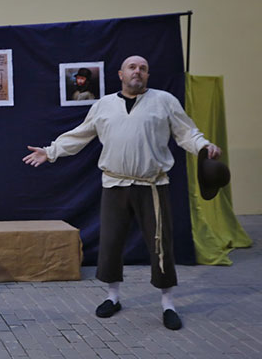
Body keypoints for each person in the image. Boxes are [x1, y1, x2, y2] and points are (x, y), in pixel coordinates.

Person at [23, 55, 221, 330]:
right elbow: (81, 134)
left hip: (152, 185)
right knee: (112, 242)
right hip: (115, 184)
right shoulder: (104, 105)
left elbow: (186, 133)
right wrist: (51, 151)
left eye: (143, 68)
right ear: (121, 74)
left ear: (148, 75)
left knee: (160, 244)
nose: (137, 71)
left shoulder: (164, 101)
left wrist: (204, 146)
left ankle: (167, 303)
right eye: (132, 67)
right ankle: (113, 297)